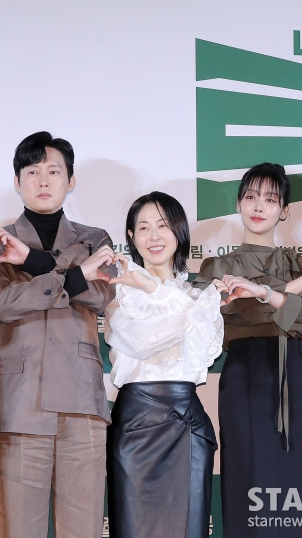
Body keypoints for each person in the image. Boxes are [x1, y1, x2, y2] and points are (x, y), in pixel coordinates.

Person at [192, 163, 302, 538]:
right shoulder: (217, 267)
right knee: (245, 478)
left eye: (271, 199)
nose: (259, 206)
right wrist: (280, 298)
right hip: (243, 377)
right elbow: (231, 314)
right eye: (250, 196)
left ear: (285, 210)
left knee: (297, 483)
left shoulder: (301, 264)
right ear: (238, 204)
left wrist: (264, 293)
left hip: (295, 375)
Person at [0, 131, 117, 538]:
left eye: (54, 171)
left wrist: (32, 263)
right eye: (32, 171)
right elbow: (3, 304)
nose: (43, 181)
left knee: (83, 528)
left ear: (70, 181)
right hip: (18, 402)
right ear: (17, 181)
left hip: (82, 402)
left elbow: (99, 296)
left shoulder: (95, 239)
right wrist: (75, 275)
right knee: (17, 528)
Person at [104, 192, 224, 538]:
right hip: (135, 425)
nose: (154, 236)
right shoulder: (116, 292)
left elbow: (204, 354)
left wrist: (157, 290)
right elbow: (141, 341)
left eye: (163, 225)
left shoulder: (199, 297)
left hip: (186, 425)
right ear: (131, 237)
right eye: (144, 227)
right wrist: (150, 288)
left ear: (179, 232)